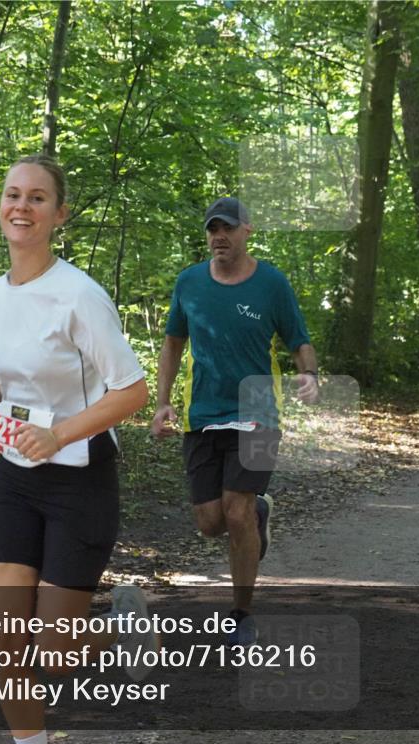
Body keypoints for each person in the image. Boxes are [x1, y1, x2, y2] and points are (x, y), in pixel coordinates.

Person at [0, 155, 156, 744]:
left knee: (54, 653)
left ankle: (122, 627)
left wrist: (61, 435)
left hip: (79, 481)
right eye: (12, 195)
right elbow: (4, 387)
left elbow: (132, 392)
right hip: (15, 476)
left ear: (59, 215)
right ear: (0, 205)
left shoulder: (79, 296)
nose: (21, 206)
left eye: (36, 197)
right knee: (6, 638)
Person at [150, 197, 319, 646]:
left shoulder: (271, 283)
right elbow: (172, 343)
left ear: (247, 230)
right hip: (202, 415)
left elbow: (299, 339)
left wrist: (309, 373)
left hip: (258, 413)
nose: (219, 236)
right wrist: (163, 402)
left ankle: (241, 614)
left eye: (227, 228)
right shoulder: (189, 282)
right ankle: (259, 514)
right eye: (212, 229)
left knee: (237, 510)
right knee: (210, 522)